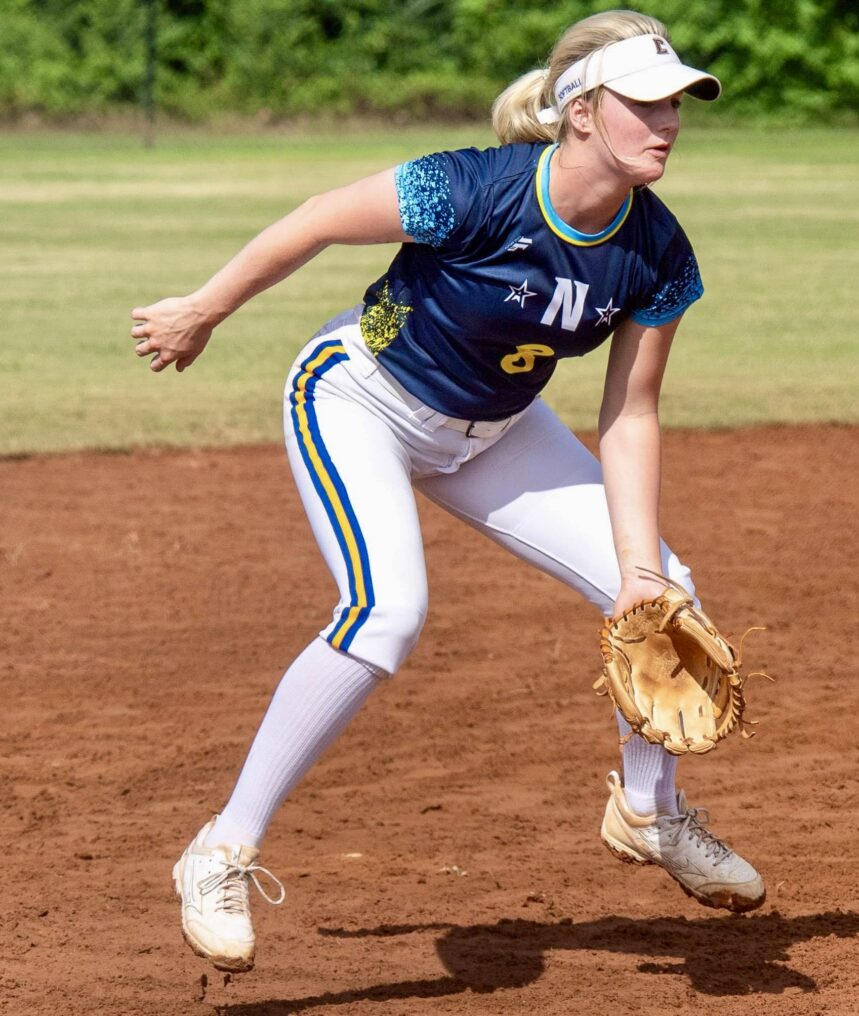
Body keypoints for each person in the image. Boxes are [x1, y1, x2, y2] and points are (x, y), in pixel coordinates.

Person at [132, 10, 765, 974]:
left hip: (497, 435)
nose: (668, 120)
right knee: (387, 614)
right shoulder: (475, 189)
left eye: (676, 101)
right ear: (583, 112)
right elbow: (317, 218)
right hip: (359, 400)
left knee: (665, 587)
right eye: (645, 102)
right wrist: (202, 309)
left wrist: (638, 570)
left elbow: (630, 415)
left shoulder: (656, 252)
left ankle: (649, 812)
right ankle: (220, 848)